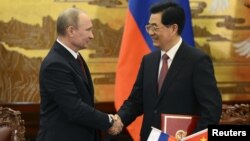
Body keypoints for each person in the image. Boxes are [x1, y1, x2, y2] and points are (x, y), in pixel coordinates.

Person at [114, 2, 222, 140]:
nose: (151, 32)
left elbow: (211, 110)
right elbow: (136, 101)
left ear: (173, 28)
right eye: (149, 27)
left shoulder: (197, 61)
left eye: (155, 27)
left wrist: (194, 139)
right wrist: (117, 121)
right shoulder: (148, 61)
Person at [36, 8, 123, 141]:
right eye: (88, 30)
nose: (92, 35)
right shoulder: (55, 64)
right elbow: (75, 109)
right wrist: (109, 121)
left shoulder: (73, 57)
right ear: (71, 31)